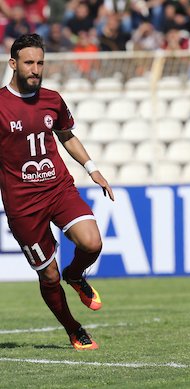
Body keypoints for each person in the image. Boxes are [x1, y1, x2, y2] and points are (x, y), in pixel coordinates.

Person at [0, 34, 114, 350]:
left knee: (92, 242)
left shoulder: (52, 99)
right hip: (23, 206)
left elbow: (66, 135)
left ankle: (75, 275)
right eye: (29, 62)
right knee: (48, 277)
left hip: (58, 188)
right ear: (13, 64)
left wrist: (93, 169)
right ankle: (73, 328)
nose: (36, 69)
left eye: (40, 63)